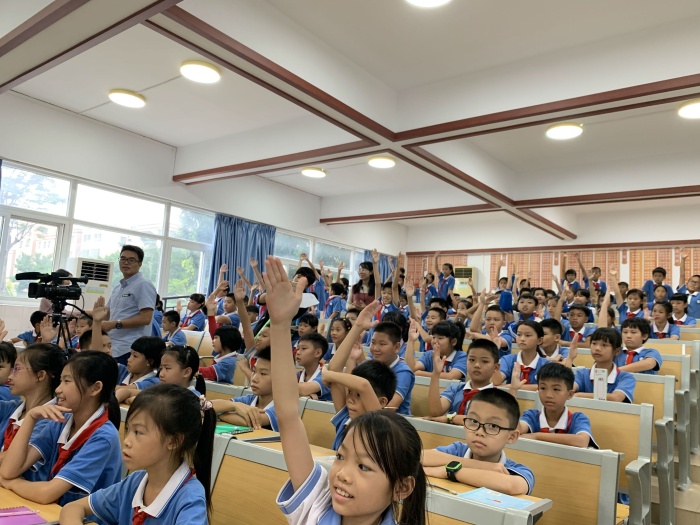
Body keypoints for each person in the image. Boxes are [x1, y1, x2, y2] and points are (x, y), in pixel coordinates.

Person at [262, 255, 426, 524]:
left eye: (364, 466)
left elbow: (358, 385)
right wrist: (280, 324)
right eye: (340, 456)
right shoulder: (317, 504)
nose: (342, 474)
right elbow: (288, 414)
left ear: (402, 488)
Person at [60, 384, 215, 525]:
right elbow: (73, 508)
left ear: (174, 441)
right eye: (128, 430)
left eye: (138, 432)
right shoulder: (135, 482)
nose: (127, 441)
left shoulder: (189, 499)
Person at [0, 351, 121, 507]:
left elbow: (47, 493)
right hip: (53, 512)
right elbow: (8, 471)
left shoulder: (103, 437)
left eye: (67, 381)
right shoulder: (60, 422)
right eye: (60, 381)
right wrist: (30, 418)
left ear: (95, 388)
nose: (58, 389)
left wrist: (11, 483)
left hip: (82, 518)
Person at [422, 388, 534, 495]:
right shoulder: (458, 450)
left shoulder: (516, 470)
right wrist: (482, 466)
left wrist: (448, 471)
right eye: (474, 421)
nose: (479, 432)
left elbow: (509, 485)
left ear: (512, 437)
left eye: (493, 426)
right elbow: (420, 456)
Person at [0, 344, 64, 465]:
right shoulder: (11, 408)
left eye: (17, 369)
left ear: (40, 375)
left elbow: (13, 460)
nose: (10, 376)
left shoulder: (52, 420)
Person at [516, 362, 598, 448]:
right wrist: (513, 390)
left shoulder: (577, 419)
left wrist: (537, 436)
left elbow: (582, 441)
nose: (548, 395)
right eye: (543, 388)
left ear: (570, 394)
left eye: (556, 389)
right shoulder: (532, 416)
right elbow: (517, 430)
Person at [103, 245, 157, 366]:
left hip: (130, 349)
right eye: (123, 259)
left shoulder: (143, 285)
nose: (126, 262)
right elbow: (106, 312)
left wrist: (114, 324)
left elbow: (145, 318)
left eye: (131, 260)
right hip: (113, 346)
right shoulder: (118, 287)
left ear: (140, 264)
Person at [425, 339, 499, 424]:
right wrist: (436, 374)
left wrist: (451, 418)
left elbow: (480, 422)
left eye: (484, 361)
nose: (477, 365)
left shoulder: (497, 398)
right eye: (472, 360)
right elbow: (435, 412)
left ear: (496, 367)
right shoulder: (455, 388)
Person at [210, 347, 278, 430]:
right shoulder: (250, 399)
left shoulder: (282, 407)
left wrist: (217, 415)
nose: (254, 379)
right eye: (254, 371)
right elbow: (208, 406)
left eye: (263, 373)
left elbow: (252, 421)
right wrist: (234, 405)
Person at [568, 328, 636, 402]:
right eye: (594, 343)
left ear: (617, 351)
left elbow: (616, 398)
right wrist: (570, 358)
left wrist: (579, 395)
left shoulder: (626, 377)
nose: (597, 348)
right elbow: (567, 390)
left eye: (604, 345)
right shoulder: (581, 374)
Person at [496, 321, 547, 388]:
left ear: (539, 340)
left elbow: (545, 387)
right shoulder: (508, 359)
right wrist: (494, 351)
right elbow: (497, 382)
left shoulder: (546, 365)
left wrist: (511, 386)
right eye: (519, 334)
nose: (522, 339)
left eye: (527, 335)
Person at [115, 337, 164, 403]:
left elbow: (122, 390)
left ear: (150, 361)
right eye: (130, 355)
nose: (129, 359)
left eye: (135, 356)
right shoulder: (123, 370)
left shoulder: (154, 382)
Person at [295, 333, 331, 401]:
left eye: (303, 348)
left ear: (318, 353)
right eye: (298, 348)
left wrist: (301, 394)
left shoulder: (325, 375)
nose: (298, 352)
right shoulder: (298, 375)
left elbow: (303, 389)